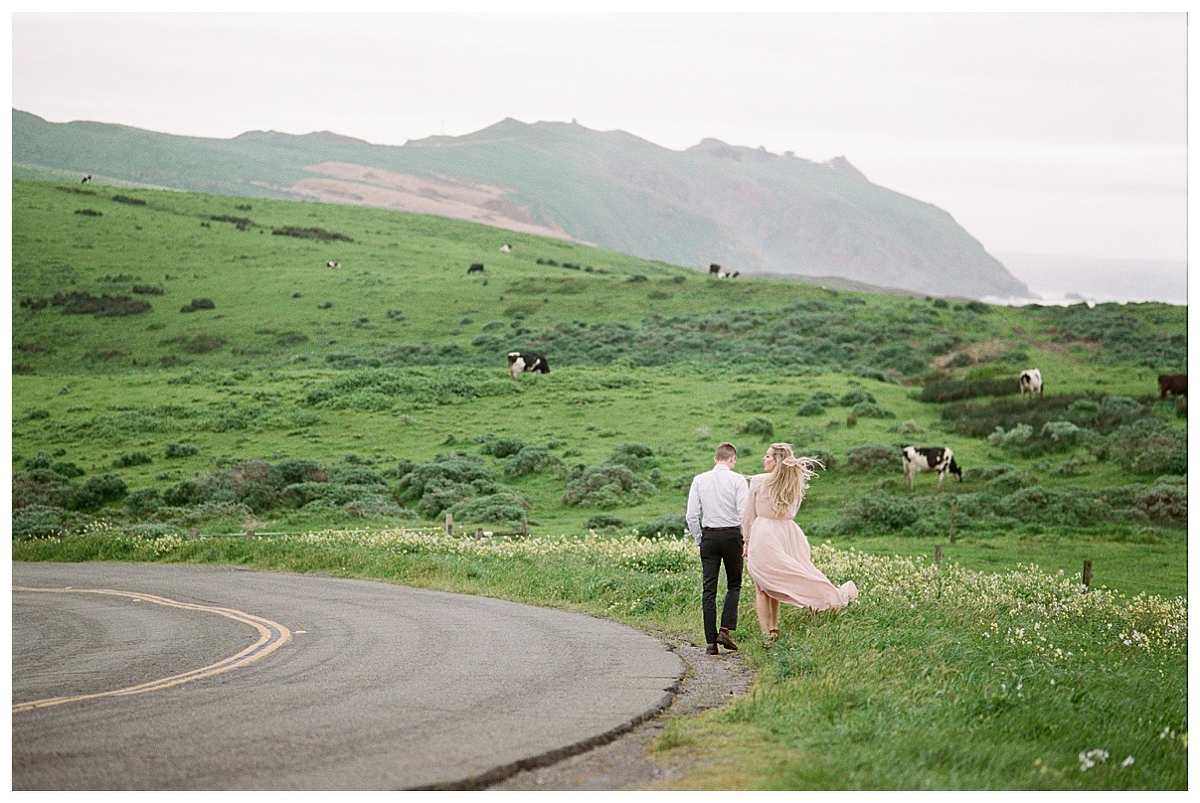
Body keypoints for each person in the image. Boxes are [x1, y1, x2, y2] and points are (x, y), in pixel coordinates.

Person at [743, 442, 858, 642]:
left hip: (763, 534)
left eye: (768, 456)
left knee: (762, 585)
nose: (764, 459)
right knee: (776, 582)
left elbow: (748, 515)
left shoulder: (759, 481)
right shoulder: (793, 484)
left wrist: (746, 540)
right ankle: (774, 629)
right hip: (787, 533)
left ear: (777, 460)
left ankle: (765, 634)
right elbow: (793, 512)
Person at [686, 442, 749, 655]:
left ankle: (711, 643)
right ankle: (725, 629)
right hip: (732, 535)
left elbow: (691, 515)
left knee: (709, 589)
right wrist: (747, 538)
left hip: (709, 536)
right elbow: (744, 513)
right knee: (734, 584)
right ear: (733, 459)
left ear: (715, 459)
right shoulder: (738, 480)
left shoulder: (699, 480)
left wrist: (699, 539)